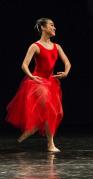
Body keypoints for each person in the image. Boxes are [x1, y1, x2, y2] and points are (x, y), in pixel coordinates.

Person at [6, 18, 71, 152]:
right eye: (51, 25)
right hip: (38, 81)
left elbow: (68, 63)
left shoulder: (57, 46)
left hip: (51, 82)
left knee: (59, 112)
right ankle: (50, 144)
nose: (54, 28)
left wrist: (65, 72)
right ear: (43, 27)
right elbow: (24, 64)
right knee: (50, 110)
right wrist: (31, 76)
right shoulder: (35, 46)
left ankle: (32, 128)